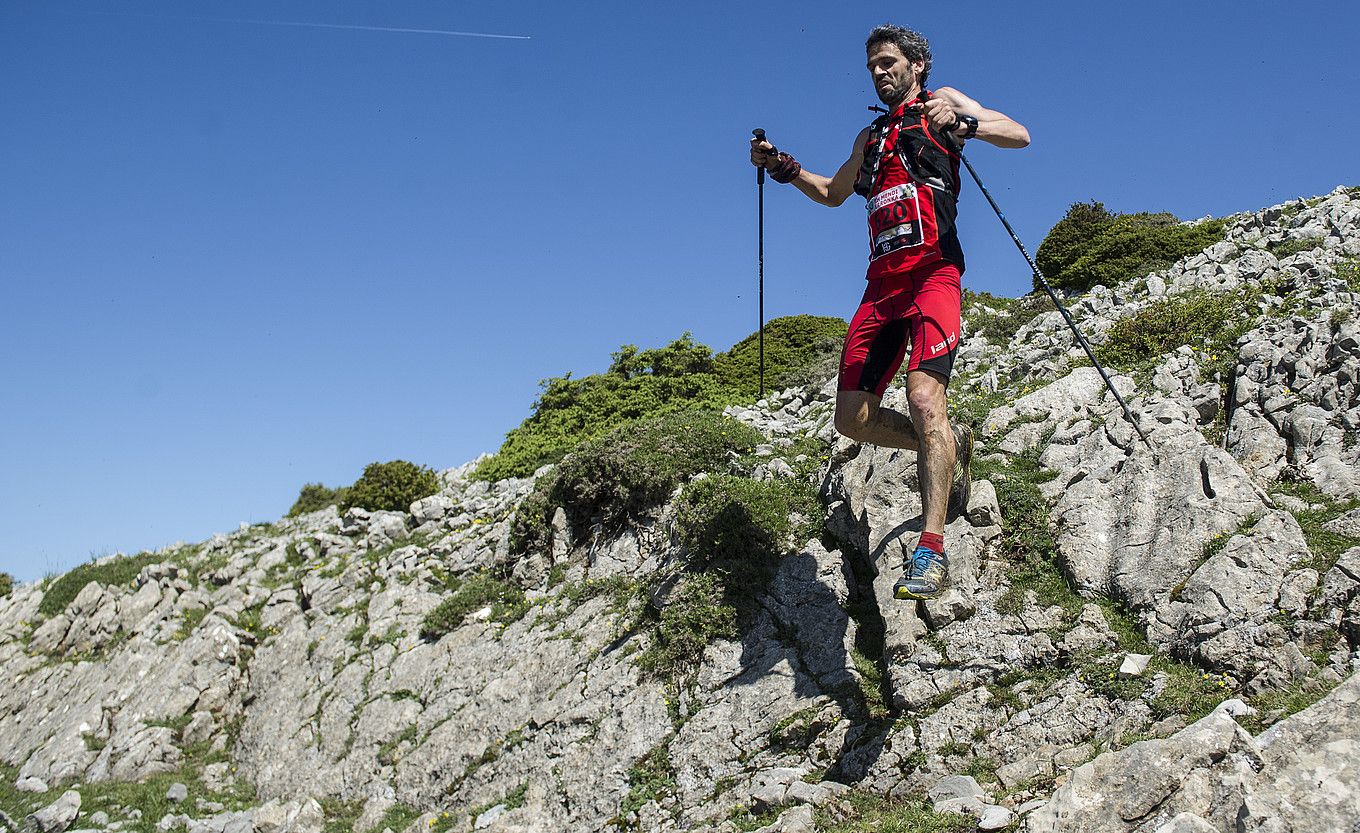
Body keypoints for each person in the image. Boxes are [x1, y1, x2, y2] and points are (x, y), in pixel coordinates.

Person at [750, 24, 1029, 600]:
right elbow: (832, 192)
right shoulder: (870, 137)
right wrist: (782, 166)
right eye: (872, 66)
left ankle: (930, 549)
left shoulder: (942, 102)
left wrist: (967, 124)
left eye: (888, 62)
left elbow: (1019, 134)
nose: (879, 72)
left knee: (925, 397)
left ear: (916, 64)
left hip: (934, 275)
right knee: (850, 419)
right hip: (880, 289)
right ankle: (948, 443)